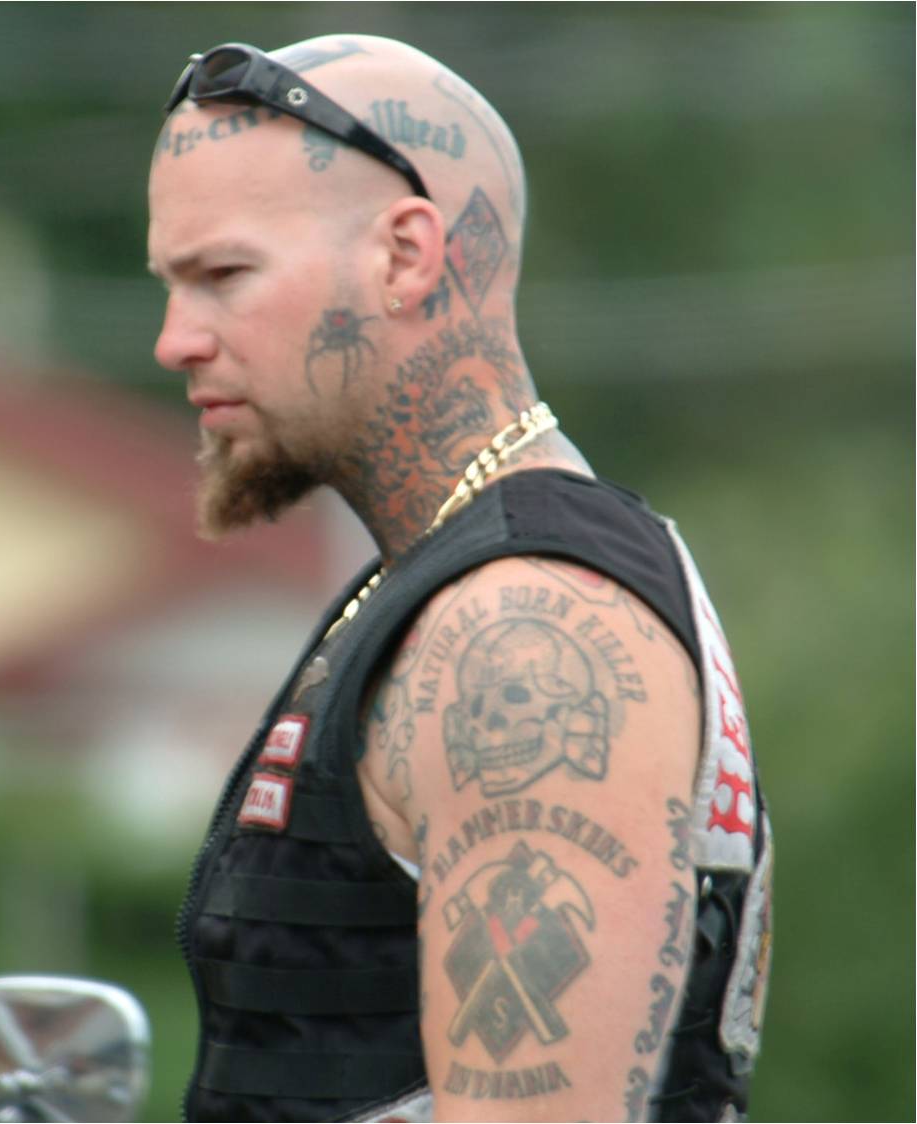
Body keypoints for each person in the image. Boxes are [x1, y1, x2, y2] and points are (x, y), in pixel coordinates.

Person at [147, 34, 772, 1123]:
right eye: (169, 284)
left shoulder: (525, 621)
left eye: (224, 276)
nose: (173, 341)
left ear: (403, 256)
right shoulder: (458, 583)